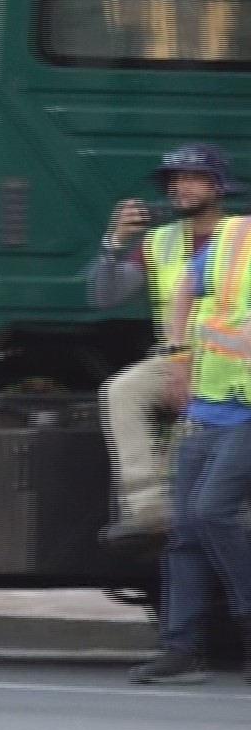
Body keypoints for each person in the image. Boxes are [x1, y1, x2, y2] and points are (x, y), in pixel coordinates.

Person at [89, 144, 239, 544]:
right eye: (175, 180)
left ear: (218, 186)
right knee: (121, 391)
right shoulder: (160, 242)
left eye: (193, 179)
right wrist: (112, 241)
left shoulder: (241, 235)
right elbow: (103, 296)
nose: (181, 188)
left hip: (232, 359)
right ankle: (151, 510)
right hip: (176, 354)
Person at [128, 212, 251, 685]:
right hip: (206, 406)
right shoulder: (236, 238)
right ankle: (181, 651)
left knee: (211, 513)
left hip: (246, 415)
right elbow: (183, 287)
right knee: (184, 532)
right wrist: (177, 355)